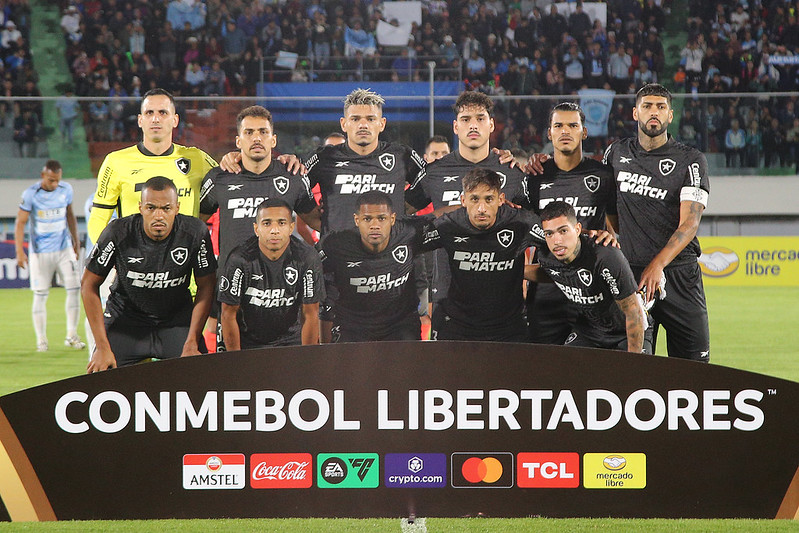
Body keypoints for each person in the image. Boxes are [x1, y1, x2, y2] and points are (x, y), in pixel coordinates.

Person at [303, 88, 426, 342]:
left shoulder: (400, 155)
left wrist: (400, 213)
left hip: (392, 279)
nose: (363, 125)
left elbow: (431, 184)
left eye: (370, 119)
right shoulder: (325, 158)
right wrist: (320, 221)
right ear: (344, 124)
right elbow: (293, 191)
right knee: (338, 365)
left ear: (382, 124)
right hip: (338, 279)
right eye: (356, 118)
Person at [602, 83, 710, 361]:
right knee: (637, 368)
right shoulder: (615, 153)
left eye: (661, 107)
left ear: (670, 116)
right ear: (635, 113)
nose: (654, 112)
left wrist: (657, 265)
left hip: (680, 276)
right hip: (631, 277)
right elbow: (607, 208)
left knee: (694, 369)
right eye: (647, 106)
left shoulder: (690, 160)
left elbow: (689, 223)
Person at [200, 105, 320, 349]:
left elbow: (318, 223)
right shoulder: (219, 178)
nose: (256, 138)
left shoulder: (293, 177)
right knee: (235, 379)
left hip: (285, 299)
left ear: (273, 139)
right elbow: (195, 225)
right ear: (238, 140)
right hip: (234, 298)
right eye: (249, 132)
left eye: (263, 132)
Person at [406, 91, 529, 312]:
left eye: (480, 118)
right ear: (455, 127)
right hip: (448, 294)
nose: (473, 125)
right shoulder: (434, 172)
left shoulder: (512, 173)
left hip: (502, 298)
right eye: (465, 119)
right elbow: (400, 213)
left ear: (491, 125)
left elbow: (539, 224)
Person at [83, 177, 216, 372]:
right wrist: (102, 347)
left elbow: (207, 285)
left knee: (203, 377)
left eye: (166, 208)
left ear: (177, 208)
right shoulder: (118, 232)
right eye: (151, 208)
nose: (159, 216)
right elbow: (88, 284)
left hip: (176, 322)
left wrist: (193, 340)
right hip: (126, 321)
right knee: (99, 376)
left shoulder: (195, 232)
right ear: (140, 207)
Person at [526, 102, 617, 345]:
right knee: (543, 370)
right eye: (558, 125)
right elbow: (521, 228)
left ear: (583, 132)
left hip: (592, 288)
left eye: (572, 125)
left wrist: (612, 236)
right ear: (549, 133)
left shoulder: (603, 175)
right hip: (547, 288)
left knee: (589, 372)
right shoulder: (534, 176)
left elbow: (617, 227)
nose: (565, 131)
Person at [427, 168, 546, 342]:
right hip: (459, 327)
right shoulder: (447, 225)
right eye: (474, 199)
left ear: (501, 199)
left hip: (509, 328)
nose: (481, 208)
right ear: (463, 200)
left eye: (489, 199)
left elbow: (561, 240)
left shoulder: (522, 222)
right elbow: (407, 241)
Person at [87, 88, 218, 243]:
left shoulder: (197, 159)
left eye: (163, 113)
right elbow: (98, 218)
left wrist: (234, 158)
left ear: (175, 120)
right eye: (149, 113)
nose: (156, 119)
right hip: (134, 264)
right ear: (140, 120)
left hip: (185, 264)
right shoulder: (115, 162)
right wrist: (108, 261)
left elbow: (227, 178)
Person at [526, 201, 651, 353]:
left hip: (625, 331)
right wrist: (512, 269)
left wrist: (634, 360)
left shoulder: (605, 257)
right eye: (549, 234)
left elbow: (632, 312)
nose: (556, 241)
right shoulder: (547, 257)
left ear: (578, 229)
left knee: (633, 375)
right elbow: (551, 273)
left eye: (563, 231)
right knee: (562, 372)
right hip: (590, 330)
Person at [318, 191, 432, 342]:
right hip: (354, 327)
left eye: (381, 218)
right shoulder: (334, 244)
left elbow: (445, 221)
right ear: (356, 220)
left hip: (400, 326)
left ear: (392, 219)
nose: (375, 226)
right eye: (367, 219)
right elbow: (306, 268)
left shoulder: (410, 232)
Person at [218, 200, 324, 349]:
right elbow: (228, 314)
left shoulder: (307, 258)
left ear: (291, 227)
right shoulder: (239, 260)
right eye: (267, 223)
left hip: (292, 343)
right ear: (256, 229)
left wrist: (307, 358)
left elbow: (311, 313)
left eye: (281, 223)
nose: (274, 230)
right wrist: (236, 359)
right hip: (249, 344)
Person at [14, 160, 85, 352]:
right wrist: (20, 251)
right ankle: (42, 341)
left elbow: (70, 214)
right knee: (40, 294)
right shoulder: (31, 194)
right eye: (51, 180)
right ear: (43, 175)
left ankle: (71, 335)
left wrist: (76, 242)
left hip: (64, 250)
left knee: (74, 289)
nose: (54, 184)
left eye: (57, 180)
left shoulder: (66, 190)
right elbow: (20, 223)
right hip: (40, 252)